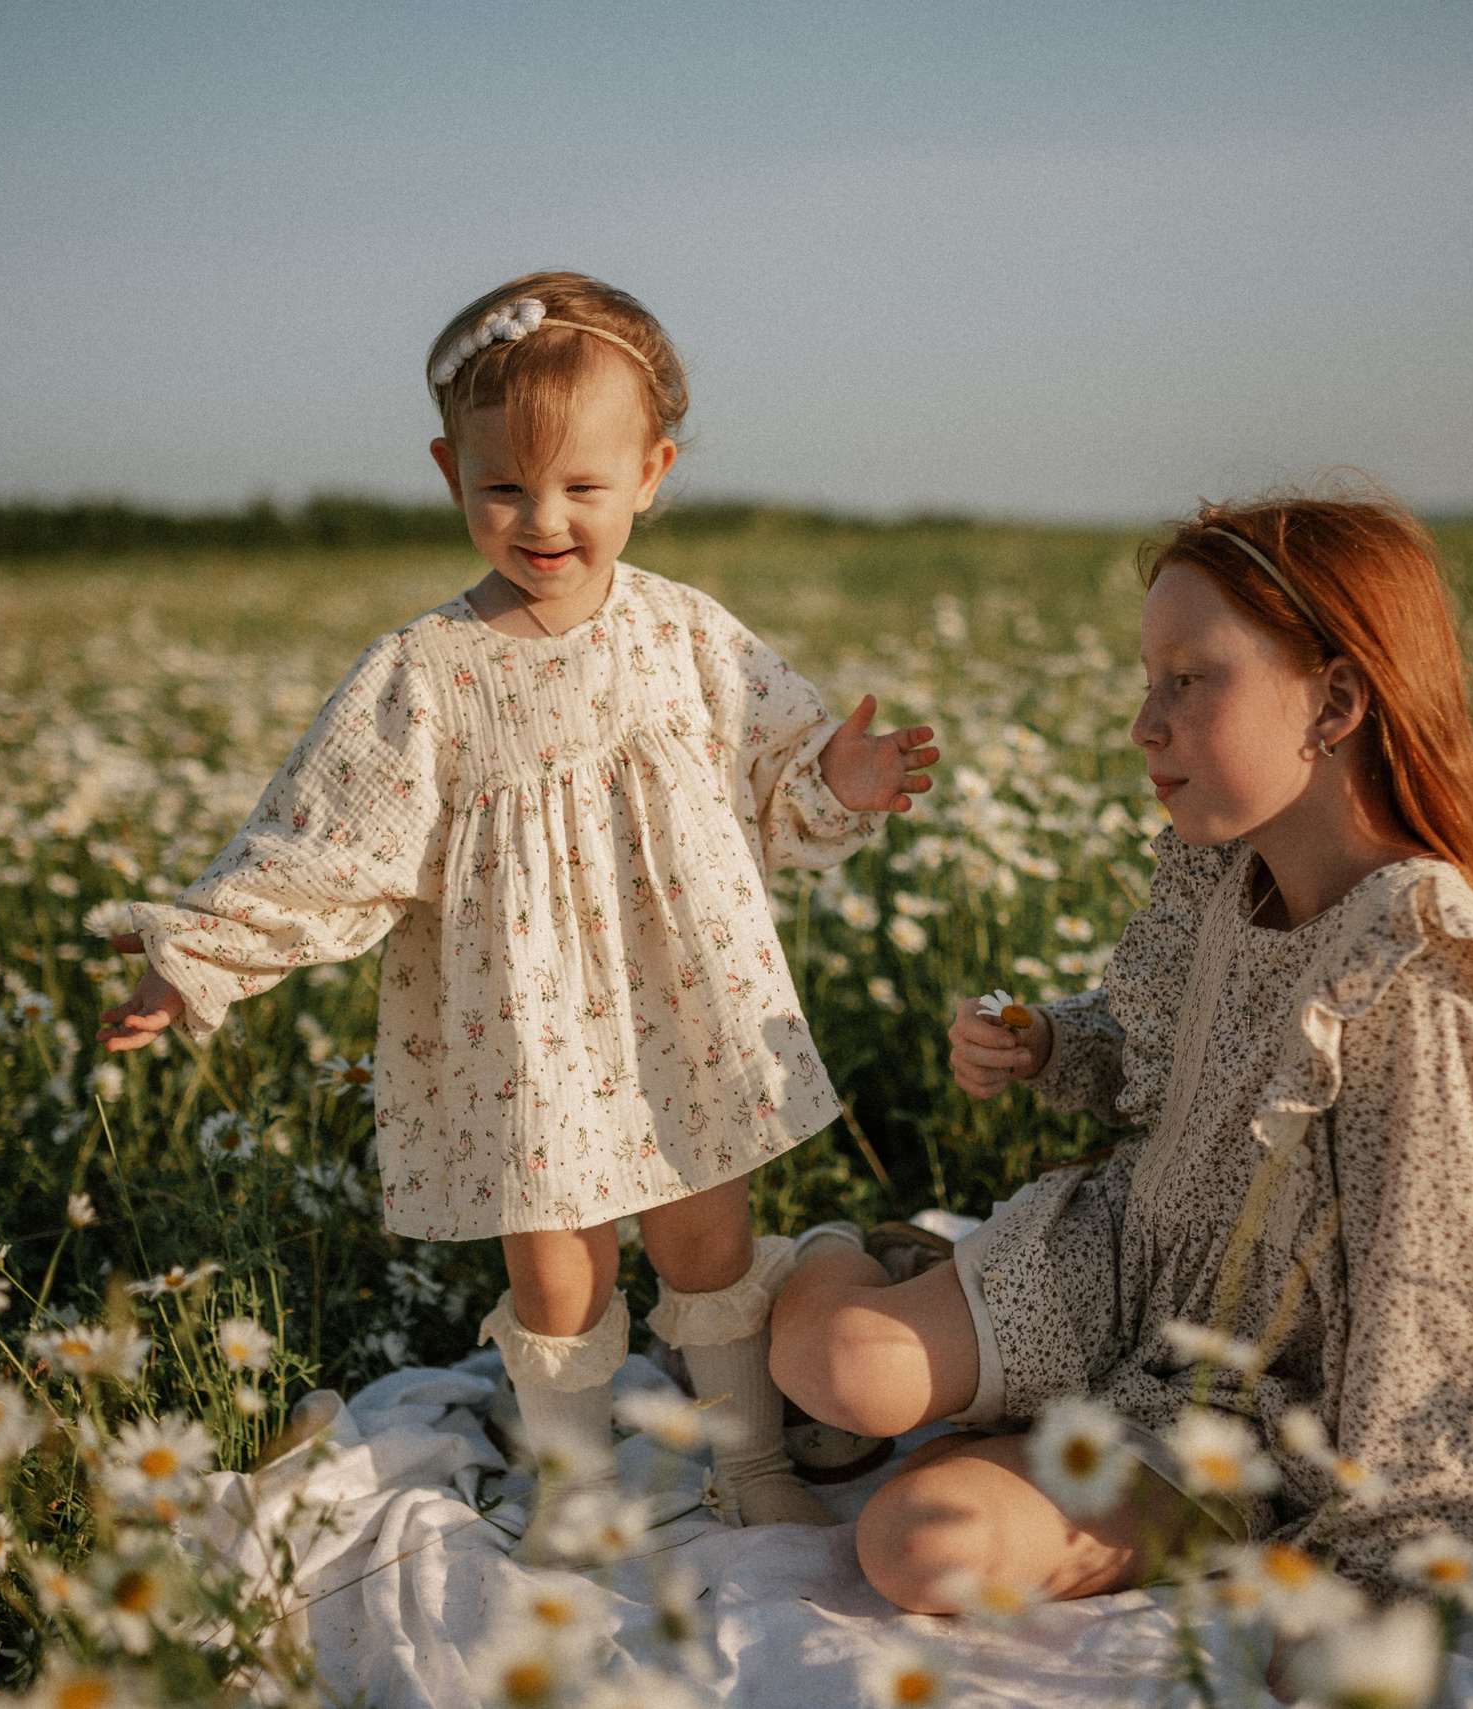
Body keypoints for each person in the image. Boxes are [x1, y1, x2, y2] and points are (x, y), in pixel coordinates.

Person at [94, 272, 937, 1558]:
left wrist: (841, 778)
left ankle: (752, 1460)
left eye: (583, 489)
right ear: (450, 474)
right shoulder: (422, 672)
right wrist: (196, 955)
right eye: (503, 489)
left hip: (683, 995)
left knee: (709, 1238)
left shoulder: (684, 633)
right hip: (522, 1026)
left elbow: (775, 769)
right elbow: (328, 844)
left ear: (651, 472)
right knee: (555, 1271)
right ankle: (579, 1493)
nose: (542, 520)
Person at [768, 490, 1473, 1630]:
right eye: (1147, 679)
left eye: (1187, 679)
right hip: (1120, 1265)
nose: (1142, 724)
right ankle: (846, 1259)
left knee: (918, 1541)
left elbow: (1431, 1303)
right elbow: (1153, 1056)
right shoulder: (1220, 875)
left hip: (1249, 1409)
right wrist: (1052, 1041)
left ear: (1337, 700)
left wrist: (1391, 1574)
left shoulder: (1424, 978)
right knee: (841, 1364)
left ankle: (978, 1385)